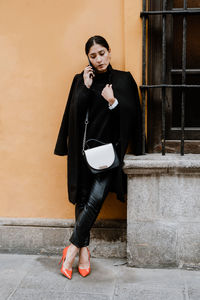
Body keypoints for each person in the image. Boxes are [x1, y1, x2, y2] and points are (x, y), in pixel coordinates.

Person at [54, 35, 142, 279]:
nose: (99, 59)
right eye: (93, 56)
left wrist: (112, 101)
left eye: (102, 53)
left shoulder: (123, 79)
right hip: (83, 152)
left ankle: (71, 249)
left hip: (108, 154)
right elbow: (73, 115)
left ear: (109, 52)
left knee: (94, 200)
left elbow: (131, 117)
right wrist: (85, 88)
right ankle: (84, 253)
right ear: (88, 59)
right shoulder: (80, 80)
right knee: (82, 200)